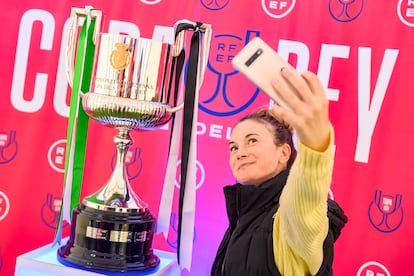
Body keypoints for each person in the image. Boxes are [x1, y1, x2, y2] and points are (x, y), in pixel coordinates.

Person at [211, 68, 348, 275]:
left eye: (252, 141)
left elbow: (307, 191)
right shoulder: (246, 211)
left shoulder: (290, 214)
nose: (239, 153)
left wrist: (316, 143)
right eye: (234, 147)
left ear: (284, 153)